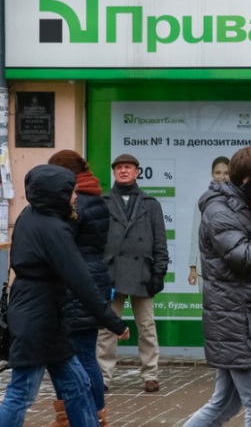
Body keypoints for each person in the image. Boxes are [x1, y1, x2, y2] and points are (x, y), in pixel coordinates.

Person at [0, 165, 129, 427]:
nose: (75, 196)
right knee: (22, 393)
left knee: (78, 385)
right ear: (56, 194)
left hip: (45, 318)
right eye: (71, 192)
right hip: (37, 321)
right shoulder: (53, 229)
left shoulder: (30, 215)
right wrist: (113, 322)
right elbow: (81, 281)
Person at [183, 146, 251, 427]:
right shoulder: (220, 212)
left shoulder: (244, 206)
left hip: (246, 322)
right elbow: (246, 258)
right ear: (248, 181)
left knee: (225, 403)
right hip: (240, 325)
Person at [46, 150, 116, 426]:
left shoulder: (77, 204)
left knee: (78, 355)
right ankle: (88, 416)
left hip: (76, 283)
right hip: (91, 280)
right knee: (82, 354)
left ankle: (86, 417)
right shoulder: (95, 198)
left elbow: (62, 243)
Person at [96, 153, 169, 393]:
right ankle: (103, 376)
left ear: (137, 172)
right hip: (112, 272)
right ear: (114, 172)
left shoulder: (151, 204)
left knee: (147, 327)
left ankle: (150, 374)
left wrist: (159, 272)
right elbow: (96, 241)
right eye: (119, 168)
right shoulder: (103, 202)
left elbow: (160, 242)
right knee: (107, 328)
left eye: (128, 167)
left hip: (142, 272)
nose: (123, 171)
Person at [188, 156, 230, 291]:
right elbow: (196, 233)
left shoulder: (237, 200)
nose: (222, 177)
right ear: (212, 174)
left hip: (230, 268)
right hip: (205, 268)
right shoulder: (203, 200)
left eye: (226, 173)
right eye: (218, 173)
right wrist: (193, 267)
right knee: (206, 304)